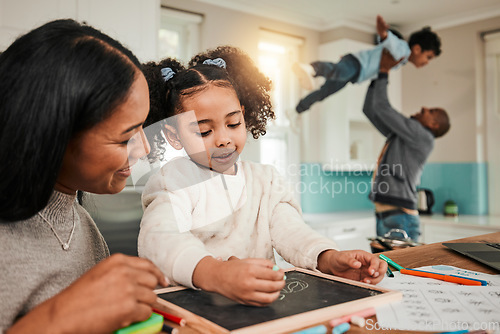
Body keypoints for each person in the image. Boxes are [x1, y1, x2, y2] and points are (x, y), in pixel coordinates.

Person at [138, 46, 387, 307]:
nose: (223, 139)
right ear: (174, 135)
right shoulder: (173, 181)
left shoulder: (265, 180)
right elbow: (159, 238)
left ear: (244, 117)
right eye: (204, 131)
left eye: (233, 124)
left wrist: (327, 258)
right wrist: (214, 273)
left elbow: (291, 232)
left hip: (258, 310)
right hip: (196, 312)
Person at [0, 19, 168, 333]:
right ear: (52, 136)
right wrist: (59, 318)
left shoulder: (86, 231)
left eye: (143, 127)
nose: (144, 149)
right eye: (124, 138)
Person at [363, 50, 451, 242]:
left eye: (432, 111)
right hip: (388, 215)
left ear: (434, 125)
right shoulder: (402, 136)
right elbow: (370, 109)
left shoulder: (422, 136)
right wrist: (377, 75)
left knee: (400, 272)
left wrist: (385, 70)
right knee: (385, 271)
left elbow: (383, 108)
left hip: (399, 218)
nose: (425, 108)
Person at [292, 15, 441, 114]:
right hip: (357, 64)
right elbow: (390, 41)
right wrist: (383, 33)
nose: (426, 63)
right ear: (417, 49)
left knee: (325, 92)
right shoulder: (403, 49)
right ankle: (311, 68)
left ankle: (298, 109)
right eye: (428, 57)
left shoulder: (401, 60)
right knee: (338, 71)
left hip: (356, 73)